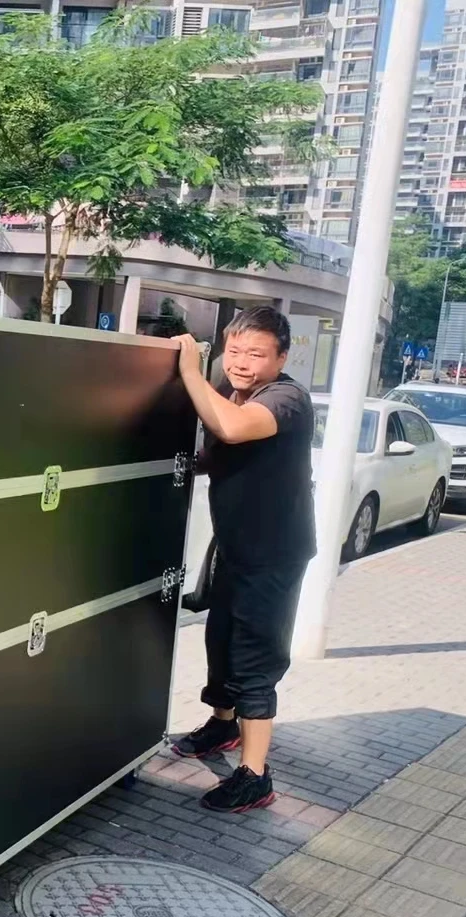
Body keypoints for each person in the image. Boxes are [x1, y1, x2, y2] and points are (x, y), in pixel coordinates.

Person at [169, 307, 314, 813]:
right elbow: (220, 452)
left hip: (272, 556)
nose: (241, 362)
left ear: (281, 358)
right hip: (235, 547)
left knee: (255, 657)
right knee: (221, 640)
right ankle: (222, 725)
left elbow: (231, 430)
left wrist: (189, 372)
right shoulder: (233, 393)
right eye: (234, 351)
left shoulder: (286, 399)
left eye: (256, 354)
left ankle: (255, 776)